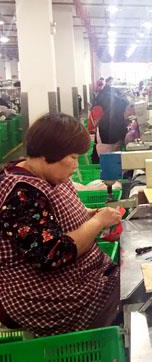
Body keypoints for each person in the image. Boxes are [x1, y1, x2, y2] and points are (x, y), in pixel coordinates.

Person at [0, 113, 122, 335]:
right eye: (73, 157)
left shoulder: (46, 174)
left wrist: (90, 214)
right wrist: (98, 222)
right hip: (44, 295)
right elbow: (52, 253)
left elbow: (52, 217)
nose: (76, 165)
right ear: (49, 153)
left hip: (80, 276)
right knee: (129, 293)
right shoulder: (20, 193)